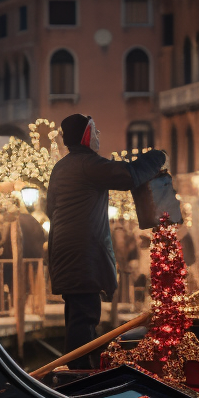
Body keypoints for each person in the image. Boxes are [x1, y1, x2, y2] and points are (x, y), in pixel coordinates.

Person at [46, 114, 166, 368]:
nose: (100, 136)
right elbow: (129, 175)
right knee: (85, 319)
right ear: (86, 136)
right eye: (96, 131)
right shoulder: (87, 164)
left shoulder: (62, 167)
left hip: (65, 255)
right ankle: (79, 380)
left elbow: (51, 210)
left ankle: (76, 375)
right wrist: (157, 156)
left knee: (77, 318)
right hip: (82, 257)